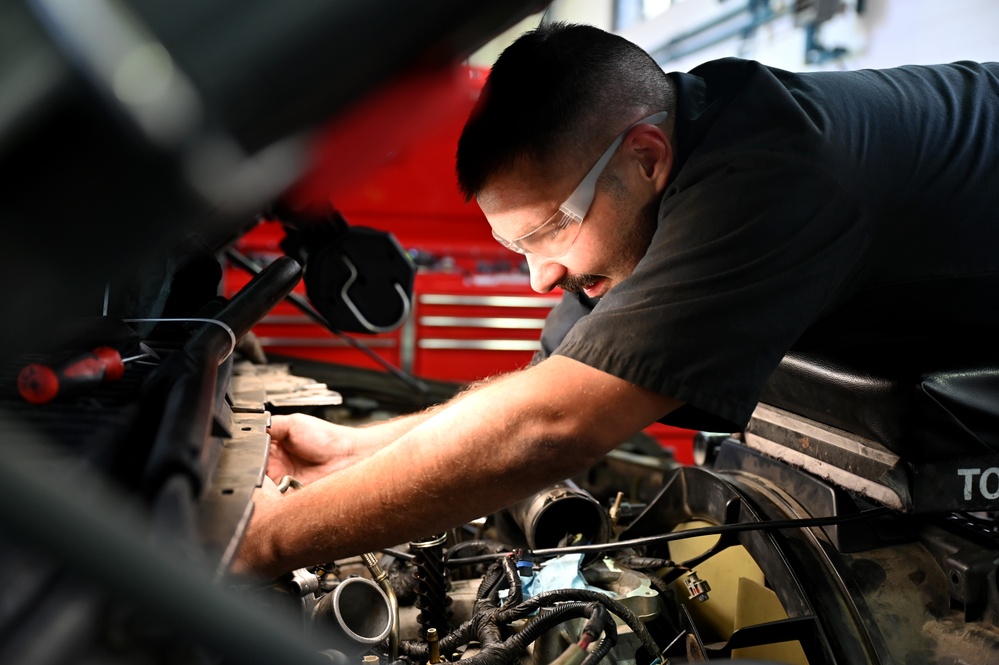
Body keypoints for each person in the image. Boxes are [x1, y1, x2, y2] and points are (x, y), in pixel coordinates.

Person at [236, 23, 999, 577]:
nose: (539, 278)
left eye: (549, 231)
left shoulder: (769, 178)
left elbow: (549, 429)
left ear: (643, 156)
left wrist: (265, 541)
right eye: (517, 248)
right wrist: (350, 451)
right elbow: (538, 391)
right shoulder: (654, 177)